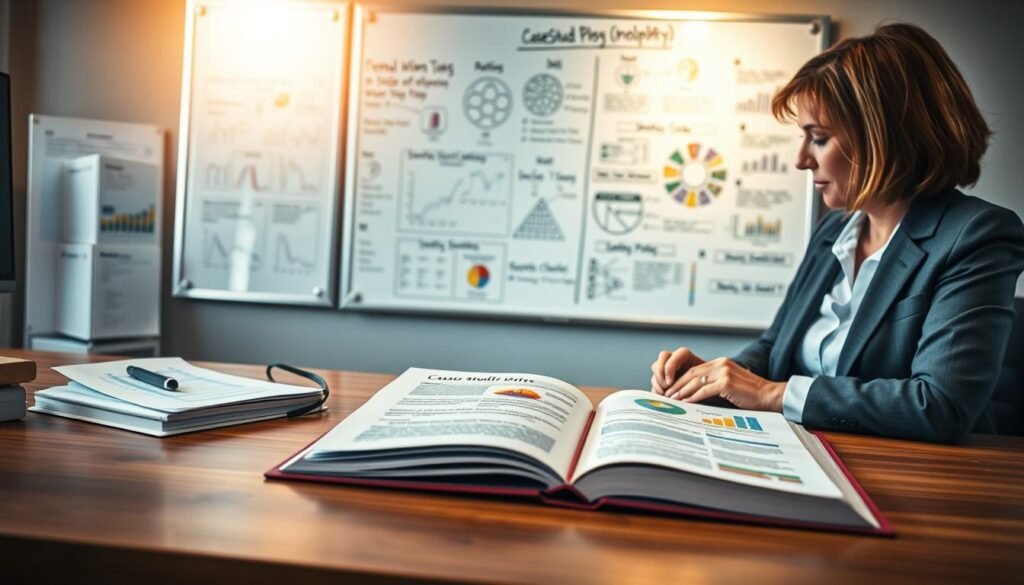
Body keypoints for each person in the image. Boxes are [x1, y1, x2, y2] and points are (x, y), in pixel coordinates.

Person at [650, 22, 1024, 444]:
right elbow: (776, 349)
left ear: (882, 138)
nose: (800, 160)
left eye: (819, 138)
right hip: (806, 453)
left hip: (914, 478)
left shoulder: (976, 235)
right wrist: (714, 379)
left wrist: (770, 393)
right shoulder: (834, 230)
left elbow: (938, 405)